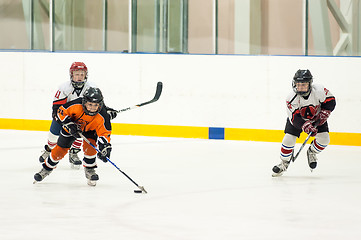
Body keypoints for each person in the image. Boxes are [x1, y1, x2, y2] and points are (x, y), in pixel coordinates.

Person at [39, 62, 117, 169]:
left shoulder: (91, 87)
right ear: (71, 75)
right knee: (53, 136)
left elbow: (99, 105)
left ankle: (74, 152)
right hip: (65, 115)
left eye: (82, 74)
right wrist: (66, 121)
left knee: (80, 132)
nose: (79, 77)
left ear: (86, 75)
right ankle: (48, 149)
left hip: (81, 117)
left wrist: (107, 112)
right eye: (76, 74)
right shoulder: (64, 88)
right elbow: (56, 109)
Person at [34, 87, 112, 186]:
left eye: (96, 105)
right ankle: (46, 169)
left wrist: (105, 147)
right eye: (90, 104)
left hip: (89, 131)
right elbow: (60, 111)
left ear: (100, 105)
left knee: (91, 147)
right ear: (84, 102)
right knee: (59, 150)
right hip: (71, 128)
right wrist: (69, 123)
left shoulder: (103, 115)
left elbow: (105, 133)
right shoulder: (76, 104)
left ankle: (90, 170)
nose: (93, 108)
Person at [272, 69, 336, 177]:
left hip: (316, 118)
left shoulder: (319, 90)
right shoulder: (291, 98)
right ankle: (284, 163)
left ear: (310, 84)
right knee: (288, 140)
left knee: (325, 139)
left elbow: (331, 101)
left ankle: (312, 152)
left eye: (304, 84)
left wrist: (325, 112)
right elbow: (295, 118)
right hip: (298, 120)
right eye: (298, 84)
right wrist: (305, 125)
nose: (300, 87)